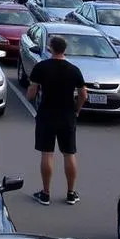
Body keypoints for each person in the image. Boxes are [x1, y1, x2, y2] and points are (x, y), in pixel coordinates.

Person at [26, 35, 87, 205]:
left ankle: (45, 193)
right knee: (69, 153)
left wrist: (31, 93)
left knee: (47, 153)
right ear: (65, 49)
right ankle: (71, 193)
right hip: (67, 115)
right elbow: (83, 94)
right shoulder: (74, 70)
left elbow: (31, 93)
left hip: (47, 114)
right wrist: (77, 109)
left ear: (50, 48)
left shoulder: (41, 67)